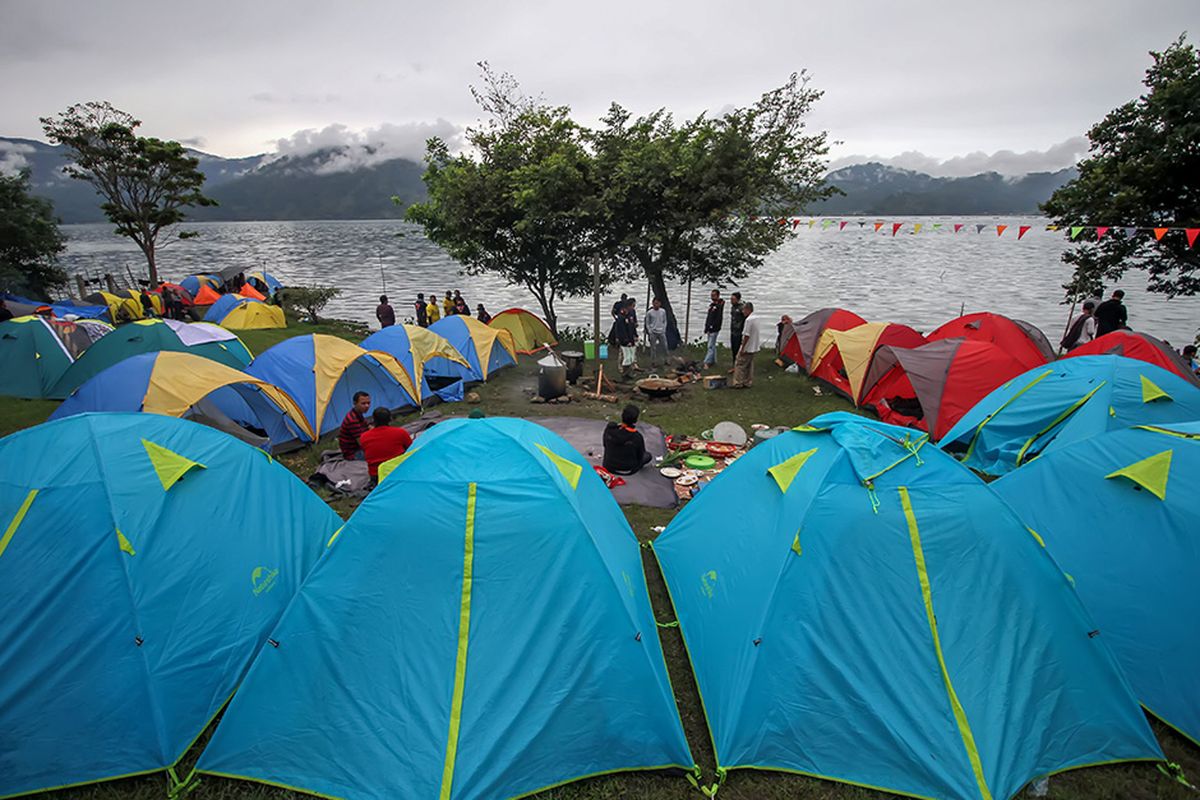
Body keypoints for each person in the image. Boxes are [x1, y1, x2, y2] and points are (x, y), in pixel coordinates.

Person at [359, 407, 413, 485]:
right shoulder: (400, 432)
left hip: (377, 476)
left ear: (373, 420)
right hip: (398, 471)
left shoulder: (364, 437)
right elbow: (411, 449)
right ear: (390, 419)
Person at [603, 404, 652, 475]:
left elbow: (605, 445)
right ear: (635, 420)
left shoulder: (610, 430)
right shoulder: (637, 437)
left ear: (622, 416)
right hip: (628, 469)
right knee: (648, 456)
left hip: (608, 466)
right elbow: (640, 456)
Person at [732, 302, 762, 388]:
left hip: (748, 346)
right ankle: (748, 381)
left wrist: (743, 347)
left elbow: (746, 335)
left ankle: (738, 382)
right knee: (749, 364)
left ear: (748, 309)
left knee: (740, 364)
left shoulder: (748, 320)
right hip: (754, 346)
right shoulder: (757, 318)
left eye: (744, 310)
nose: (743, 312)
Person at [338, 391, 371, 460]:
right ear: (355, 404)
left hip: (357, 448)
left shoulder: (358, 413)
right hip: (353, 453)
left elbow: (368, 427)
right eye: (363, 403)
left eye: (368, 403)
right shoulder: (352, 420)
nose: (367, 406)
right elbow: (362, 443)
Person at [615, 300, 638, 378]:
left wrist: (635, 335)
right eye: (632, 306)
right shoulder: (621, 317)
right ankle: (624, 372)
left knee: (631, 356)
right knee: (625, 356)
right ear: (628, 306)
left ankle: (629, 372)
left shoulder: (630, 314)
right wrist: (626, 340)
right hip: (624, 339)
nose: (633, 308)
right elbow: (621, 330)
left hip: (631, 337)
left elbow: (632, 326)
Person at [644, 297, 669, 367]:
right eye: (655, 303)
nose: (656, 305)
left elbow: (665, 321)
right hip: (653, 332)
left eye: (657, 303)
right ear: (652, 303)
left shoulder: (663, 311)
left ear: (660, 304)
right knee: (653, 348)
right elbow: (647, 322)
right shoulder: (649, 312)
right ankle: (653, 362)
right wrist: (650, 331)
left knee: (665, 346)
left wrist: (664, 329)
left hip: (661, 331)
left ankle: (666, 360)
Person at [703, 289, 724, 368]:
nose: (712, 297)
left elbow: (718, 318)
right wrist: (706, 327)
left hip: (714, 328)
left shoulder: (719, 306)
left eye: (714, 295)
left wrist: (713, 326)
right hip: (709, 328)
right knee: (712, 345)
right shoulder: (711, 306)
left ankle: (706, 362)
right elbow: (709, 318)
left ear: (718, 295)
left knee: (710, 346)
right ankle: (713, 360)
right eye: (711, 295)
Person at [729, 292, 745, 362]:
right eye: (731, 299)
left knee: (738, 348)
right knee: (733, 349)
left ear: (738, 299)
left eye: (733, 299)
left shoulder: (742, 307)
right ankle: (734, 364)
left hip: (739, 331)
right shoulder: (733, 307)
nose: (731, 301)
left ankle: (739, 364)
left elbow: (746, 319)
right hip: (733, 330)